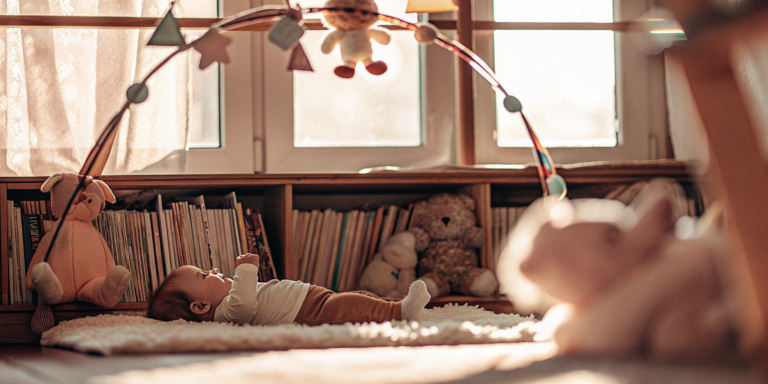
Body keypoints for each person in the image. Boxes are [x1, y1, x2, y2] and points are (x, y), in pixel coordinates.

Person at [146, 253, 431, 326]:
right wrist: (245, 269)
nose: (215, 270)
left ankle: (389, 307)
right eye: (205, 274)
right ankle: (399, 312)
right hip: (306, 313)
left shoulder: (226, 300)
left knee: (357, 299)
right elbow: (246, 304)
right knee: (347, 307)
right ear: (200, 307)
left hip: (310, 297)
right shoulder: (226, 312)